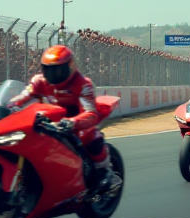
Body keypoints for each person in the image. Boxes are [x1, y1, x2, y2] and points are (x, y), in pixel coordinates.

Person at [9, 45, 121, 191]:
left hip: (75, 122)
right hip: (49, 120)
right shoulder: (39, 81)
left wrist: (72, 122)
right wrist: (10, 106)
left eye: (58, 70)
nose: (53, 74)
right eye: (49, 69)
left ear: (70, 66)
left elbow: (90, 113)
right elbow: (23, 96)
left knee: (89, 136)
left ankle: (106, 172)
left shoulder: (83, 84)